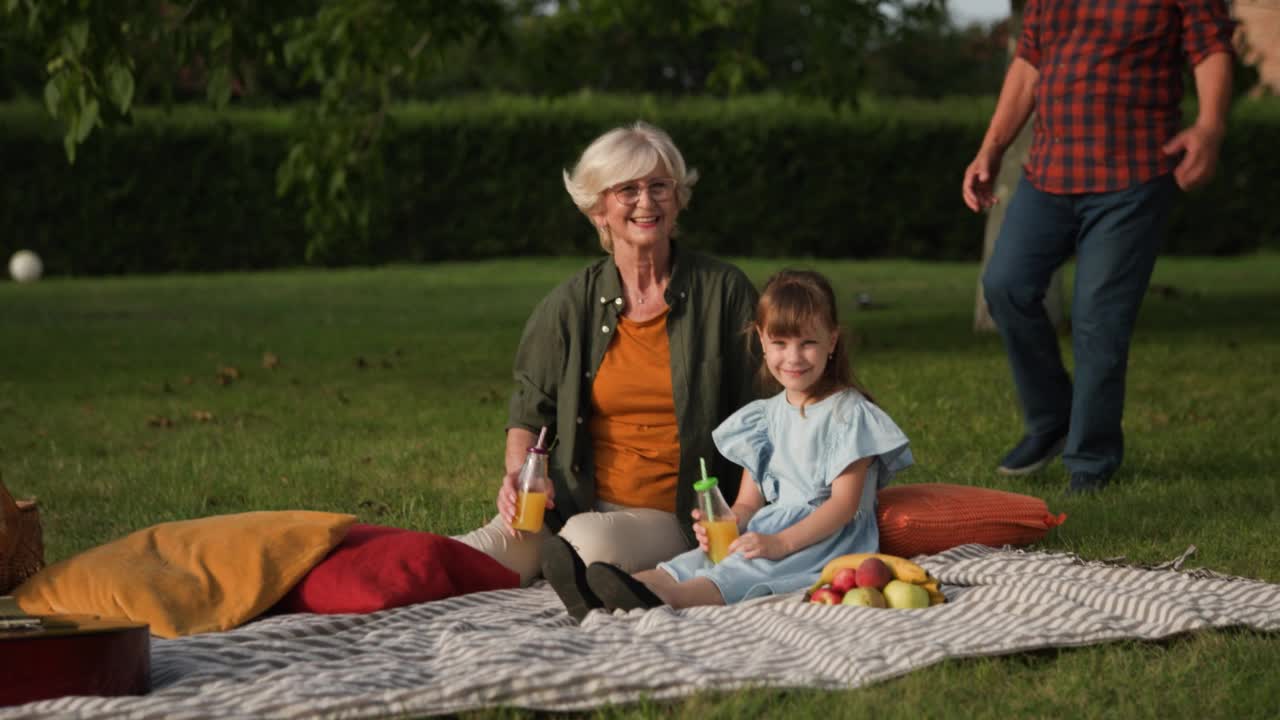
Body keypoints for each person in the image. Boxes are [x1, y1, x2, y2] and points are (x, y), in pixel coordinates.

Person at [455, 122, 761, 616]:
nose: (647, 202)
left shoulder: (724, 293)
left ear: (678, 198)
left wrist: (744, 513)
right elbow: (529, 414)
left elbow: (766, 417)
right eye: (628, 190)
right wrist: (517, 478)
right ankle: (324, 574)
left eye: (659, 186)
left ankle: (579, 574)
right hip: (569, 503)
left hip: (674, 514)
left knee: (586, 544)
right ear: (599, 207)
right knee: (463, 558)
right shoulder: (569, 304)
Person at [961, 1, 1236, 494]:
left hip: (1132, 174)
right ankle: (1051, 421)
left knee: (1099, 317)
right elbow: (1028, 64)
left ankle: (1090, 459)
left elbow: (1211, 49)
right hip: (1049, 172)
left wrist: (1210, 127)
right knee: (1005, 286)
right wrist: (991, 149)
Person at [543, 270, 913, 618]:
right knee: (695, 562)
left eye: (808, 343)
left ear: (832, 340)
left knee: (740, 573)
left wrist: (780, 544)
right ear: (761, 340)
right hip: (770, 529)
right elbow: (749, 502)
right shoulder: (765, 417)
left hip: (824, 541)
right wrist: (727, 523)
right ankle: (601, 593)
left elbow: (844, 506)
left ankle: (661, 600)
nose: (794, 357)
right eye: (780, 343)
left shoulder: (849, 414)